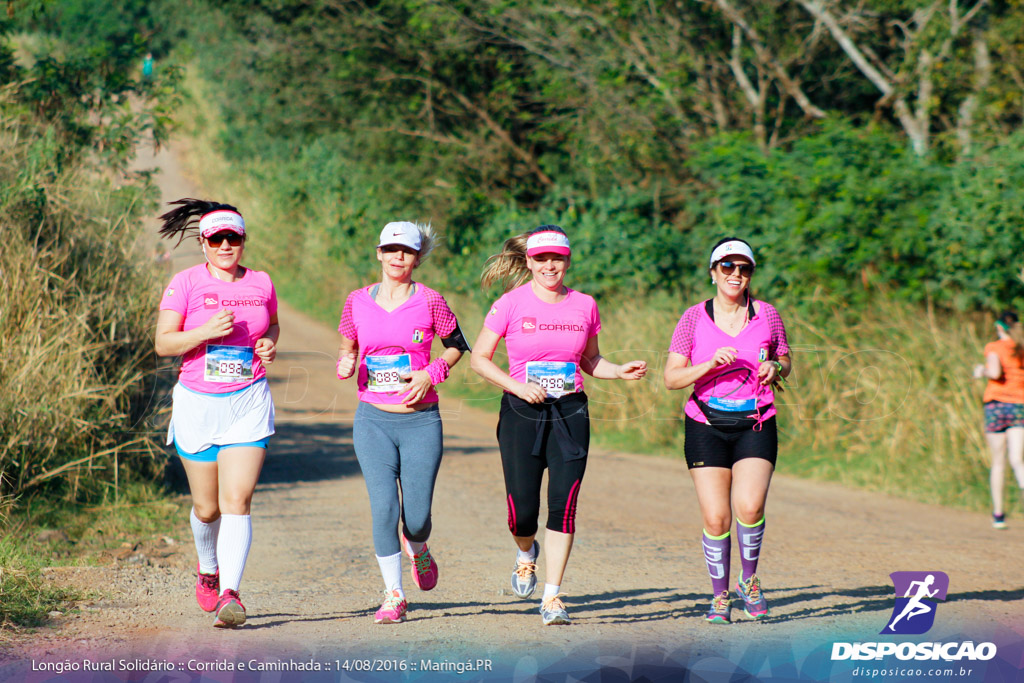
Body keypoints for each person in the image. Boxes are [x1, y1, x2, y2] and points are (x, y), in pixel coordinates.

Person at [470, 225, 647, 626]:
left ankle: (552, 597)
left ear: (568, 261)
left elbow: (590, 361)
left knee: (564, 507)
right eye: (542, 258)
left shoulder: (585, 304)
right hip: (521, 413)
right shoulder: (509, 304)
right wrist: (517, 386)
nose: (551, 265)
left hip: (571, 413)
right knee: (522, 513)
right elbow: (480, 358)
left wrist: (619, 370)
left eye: (558, 258)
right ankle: (525, 554)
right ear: (529, 261)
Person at [336, 221, 470, 624]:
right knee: (383, 509)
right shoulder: (356, 301)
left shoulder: (430, 300)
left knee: (415, 518)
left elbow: (457, 346)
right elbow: (348, 343)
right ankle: (393, 595)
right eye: (391, 249)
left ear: (416, 257)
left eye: (407, 251)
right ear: (378, 253)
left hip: (420, 422)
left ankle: (420, 547)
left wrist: (432, 373)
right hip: (372, 421)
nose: (398, 257)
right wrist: (346, 360)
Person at [154, 198, 279, 628]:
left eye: (234, 237)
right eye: (217, 238)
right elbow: (164, 343)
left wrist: (269, 344)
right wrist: (205, 332)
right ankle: (208, 569)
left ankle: (231, 593)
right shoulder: (185, 283)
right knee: (207, 508)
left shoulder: (261, 282)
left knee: (237, 501)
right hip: (198, 403)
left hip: (248, 400)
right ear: (205, 242)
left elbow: (272, 323)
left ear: (243, 240)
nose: (226, 245)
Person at [663, 237, 790, 624]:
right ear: (713, 272)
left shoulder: (766, 314)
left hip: (756, 421)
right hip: (705, 424)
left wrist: (776, 369)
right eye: (728, 267)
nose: (736, 275)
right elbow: (671, 378)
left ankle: (748, 582)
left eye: (744, 269)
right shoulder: (692, 318)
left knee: (749, 508)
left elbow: (784, 358)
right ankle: (720, 598)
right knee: (717, 518)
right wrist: (708, 366)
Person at [972, 311, 1024, 529]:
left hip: (996, 406)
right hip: (1020, 406)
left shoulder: (994, 347)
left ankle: (998, 514)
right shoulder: (1021, 348)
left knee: (998, 462)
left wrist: (980, 371)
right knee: (1017, 460)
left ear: (999, 327)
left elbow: (994, 372)